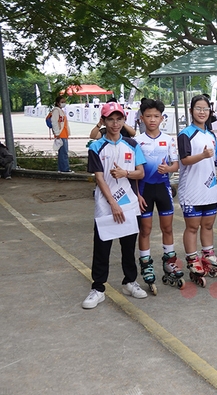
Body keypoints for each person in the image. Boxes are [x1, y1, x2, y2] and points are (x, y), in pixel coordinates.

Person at [82, 102, 147, 309]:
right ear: (104, 121)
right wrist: (112, 204)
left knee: (128, 246)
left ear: (124, 120)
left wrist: (124, 173)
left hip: (128, 203)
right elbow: (99, 178)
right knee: (102, 247)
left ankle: (130, 281)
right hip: (105, 203)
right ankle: (98, 288)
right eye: (111, 119)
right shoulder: (96, 147)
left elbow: (140, 173)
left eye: (119, 119)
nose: (115, 123)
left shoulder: (132, 144)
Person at [134, 99, 181, 294]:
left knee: (167, 227)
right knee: (145, 230)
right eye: (148, 116)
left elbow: (176, 165)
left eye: (156, 116)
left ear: (162, 118)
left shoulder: (169, 140)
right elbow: (134, 170)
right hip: (144, 191)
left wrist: (168, 168)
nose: (152, 120)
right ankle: (146, 264)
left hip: (163, 189)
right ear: (141, 118)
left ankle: (169, 262)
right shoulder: (137, 141)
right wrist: (137, 194)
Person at [177, 95, 217, 287]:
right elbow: (184, 160)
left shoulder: (212, 136)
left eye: (205, 109)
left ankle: (208, 254)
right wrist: (202, 155)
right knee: (193, 227)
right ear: (191, 111)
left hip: (210, 188)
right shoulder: (185, 134)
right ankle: (192, 259)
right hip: (192, 190)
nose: (202, 112)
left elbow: (216, 161)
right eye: (198, 108)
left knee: (208, 225)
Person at [51, 96, 73, 173]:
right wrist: (57, 133)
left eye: (64, 101)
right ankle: (65, 169)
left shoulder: (60, 111)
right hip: (61, 134)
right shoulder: (56, 111)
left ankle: (62, 168)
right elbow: (54, 122)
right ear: (57, 103)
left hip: (64, 134)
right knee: (64, 153)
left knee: (62, 153)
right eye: (62, 101)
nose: (64, 103)